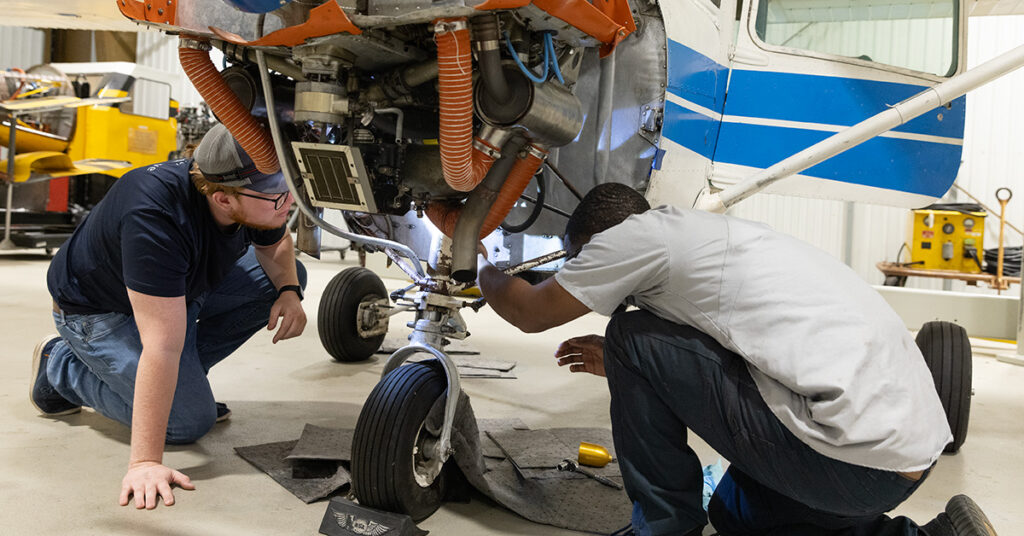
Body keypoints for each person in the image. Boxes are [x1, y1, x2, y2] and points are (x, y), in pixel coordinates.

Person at [476, 183, 998, 536]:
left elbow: (529, 313)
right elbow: (740, 350)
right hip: (900, 462)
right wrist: (629, 366)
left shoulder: (632, 238)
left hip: (853, 457)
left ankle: (663, 530)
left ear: (596, 243)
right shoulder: (715, 240)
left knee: (629, 334)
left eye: (582, 262)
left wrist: (479, 263)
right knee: (737, 514)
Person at [30, 123, 308, 511]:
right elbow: (161, 345)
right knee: (188, 423)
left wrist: (289, 292)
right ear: (224, 200)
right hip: (101, 313)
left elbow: (275, 240)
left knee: (277, 282)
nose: (287, 202)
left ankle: (172, 385)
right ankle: (59, 366)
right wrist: (145, 462)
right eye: (276, 197)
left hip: (178, 290)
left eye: (289, 190)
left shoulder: (245, 196)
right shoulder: (154, 215)